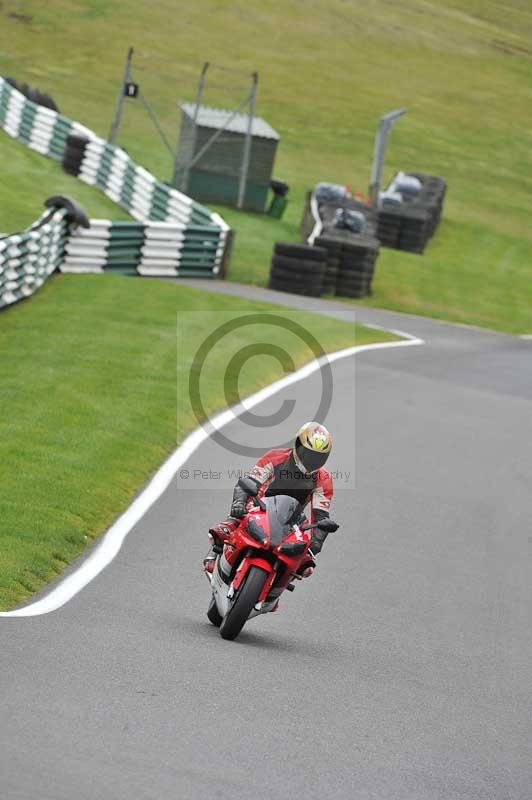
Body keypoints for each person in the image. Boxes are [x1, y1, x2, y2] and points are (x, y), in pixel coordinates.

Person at [204, 421, 335, 574]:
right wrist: (239, 503)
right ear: (297, 445)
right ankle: (216, 552)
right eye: (308, 454)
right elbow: (250, 481)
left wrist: (316, 543)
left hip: (292, 521)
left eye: (318, 457)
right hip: (259, 506)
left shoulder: (323, 478)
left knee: (306, 567)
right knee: (233, 520)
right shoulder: (276, 457)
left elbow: (320, 516)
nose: (311, 460)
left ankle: (277, 588)